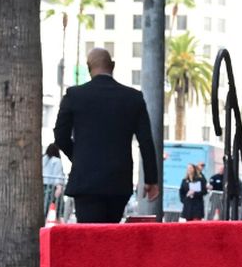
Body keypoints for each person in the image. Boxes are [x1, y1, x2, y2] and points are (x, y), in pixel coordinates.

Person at [53, 48, 159, 224]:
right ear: (113, 66)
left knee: (89, 238)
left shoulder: (75, 95)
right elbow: (146, 141)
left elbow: (60, 135)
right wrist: (151, 180)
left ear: (88, 68)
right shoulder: (133, 98)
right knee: (111, 237)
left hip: (85, 182)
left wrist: (78, 158)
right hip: (118, 182)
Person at [42, 143, 66, 219]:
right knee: (57, 207)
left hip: (43, 185)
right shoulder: (57, 161)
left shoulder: (43, 159)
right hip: (52, 187)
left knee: (44, 206)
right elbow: (58, 174)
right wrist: (59, 186)